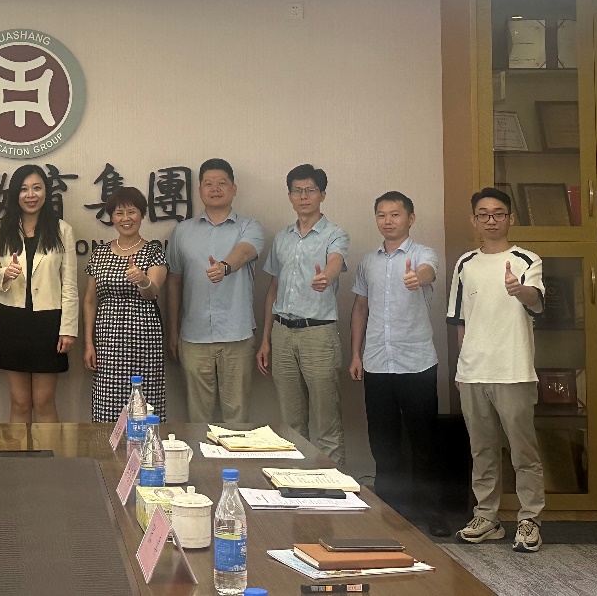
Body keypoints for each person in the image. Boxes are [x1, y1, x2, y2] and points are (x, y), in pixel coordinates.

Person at [448, 187, 545, 553]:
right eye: (484, 214)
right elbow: (459, 320)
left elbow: (537, 302)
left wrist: (519, 290)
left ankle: (529, 519)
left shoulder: (526, 260)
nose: (491, 220)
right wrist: (462, 367)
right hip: (473, 372)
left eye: (499, 213)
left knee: (523, 452)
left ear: (510, 218)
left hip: (513, 370)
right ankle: (487, 517)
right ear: (474, 220)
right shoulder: (465, 264)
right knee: (482, 450)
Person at [348, 190, 446, 534]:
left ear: (410, 218)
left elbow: (428, 272)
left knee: (424, 440)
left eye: (395, 214)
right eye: (382, 215)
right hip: (376, 362)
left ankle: (433, 511)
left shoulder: (423, 254)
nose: (388, 221)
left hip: (416, 362)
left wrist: (418, 277)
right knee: (383, 442)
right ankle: (389, 512)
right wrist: (356, 353)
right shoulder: (368, 261)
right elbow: (360, 308)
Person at [257, 163, 349, 466]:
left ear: (322, 194)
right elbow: (273, 288)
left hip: (318, 334)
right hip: (282, 333)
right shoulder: (282, 238)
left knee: (327, 423)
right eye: (297, 191)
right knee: (291, 423)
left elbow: (335, 262)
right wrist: (266, 339)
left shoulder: (335, 234)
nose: (304, 196)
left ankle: (333, 487)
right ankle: (296, 484)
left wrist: (327, 277)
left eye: (310, 190)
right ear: (289, 196)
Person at [165, 158, 265, 425]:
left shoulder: (249, 226)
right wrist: (173, 332)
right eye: (208, 184)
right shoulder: (182, 231)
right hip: (193, 336)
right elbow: (173, 282)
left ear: (234, 189)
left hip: (237, 335)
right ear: (199, 190)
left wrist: (224, 267)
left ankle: (235, 455)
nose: (215, 188)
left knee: (237, 417)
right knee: (198, 418)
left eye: (222, 183)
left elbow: (245, 252)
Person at [0, 164, 77, 422]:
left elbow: (70, 284)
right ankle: (19, 451)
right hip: (12, 319)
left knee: (44, 402)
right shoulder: (0, 228)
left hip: (48, 321)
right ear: (15, 193)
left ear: (46, 192)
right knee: (19, 403)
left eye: (37, 188)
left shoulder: (62, 230)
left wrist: (68, 329)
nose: (30, 195)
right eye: (24, 189)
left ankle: (48, 451)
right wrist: (4, 274)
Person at [83, 186, 168, 422]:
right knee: (107, 407)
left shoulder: (153, 251)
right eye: (119, 213)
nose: (125, 218)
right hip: (107, 341)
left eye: (131, 212)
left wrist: (142, 280)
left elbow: (152, 293)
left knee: (143, 406)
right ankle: (106, 447)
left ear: (142, 215)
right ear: (111, 217)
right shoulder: (100, 253)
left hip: (144, 341)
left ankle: (146, 446)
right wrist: (89, 344)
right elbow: (90, 300)